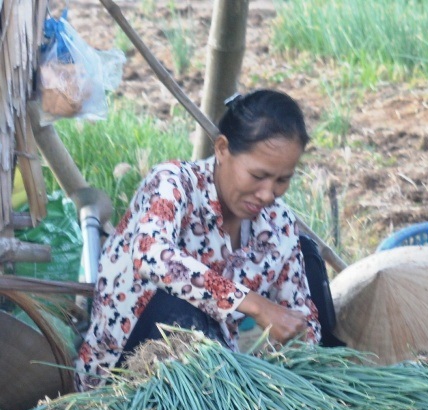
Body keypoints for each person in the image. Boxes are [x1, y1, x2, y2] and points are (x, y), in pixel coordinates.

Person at [75, 89, 321, 390]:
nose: (268, 194)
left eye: (282, 180)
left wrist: (309, 369)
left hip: (215, 378)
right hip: (121, 378)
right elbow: (151, 256)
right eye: (258, 176)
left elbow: (299, 312)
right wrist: (253, 304)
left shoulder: (278, 222)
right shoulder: (174, 183)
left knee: (310, 256)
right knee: (179, 307)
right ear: (221, 148)